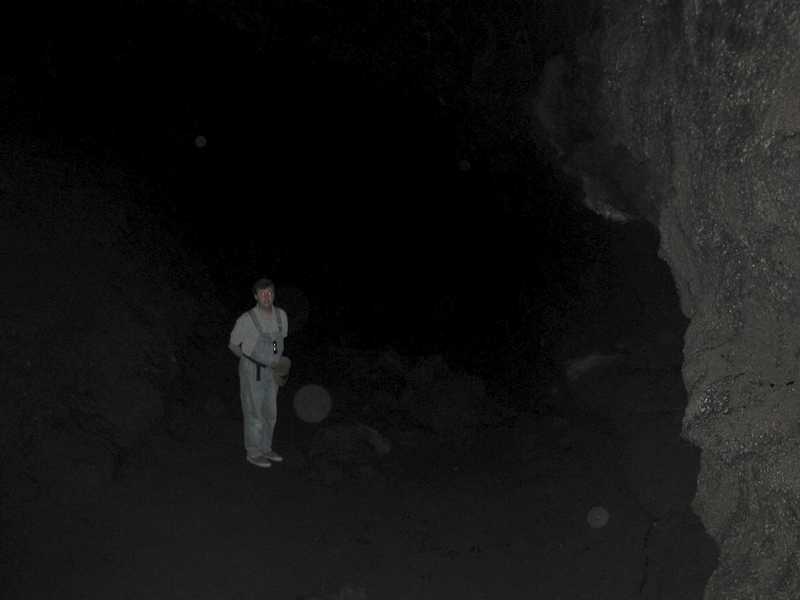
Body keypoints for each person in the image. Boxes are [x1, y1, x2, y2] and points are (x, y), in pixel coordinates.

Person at [228, 278, 289, 468]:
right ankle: (253, 452)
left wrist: (274, 357)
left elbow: (275, 342)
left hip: (272, 371)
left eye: (269, 293)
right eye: (262, 294)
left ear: (274, 294)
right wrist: (248, 361)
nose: (266, 297)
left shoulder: (281, 316)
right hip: (252, 371)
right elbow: (233, 345)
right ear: (255, 296)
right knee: (254, 413)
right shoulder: (246, 319)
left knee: (270, 413)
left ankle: (266, 448)